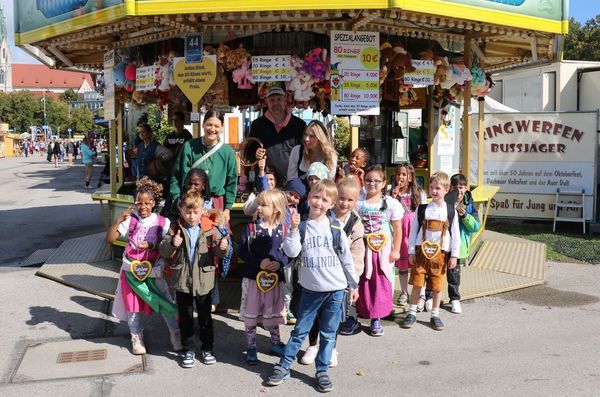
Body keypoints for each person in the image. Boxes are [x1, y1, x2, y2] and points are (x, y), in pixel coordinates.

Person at [267, 179, 359, 393]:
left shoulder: (335, 228)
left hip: (335, 291)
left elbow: (346, 259)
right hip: (310, 290)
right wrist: (292, 230)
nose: (319, 202)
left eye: (325, 199)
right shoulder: (301, 226)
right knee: (299, 331)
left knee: (328, 333)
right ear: (309, 198)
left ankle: (322, 370)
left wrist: (353, 284)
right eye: (316, 197)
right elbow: (291, 252)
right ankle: (284, 365)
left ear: (332, 204)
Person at [106, 177, 182, 355]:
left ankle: (175, 333)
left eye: (147, 202)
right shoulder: (130, 221)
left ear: (154, 202)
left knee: (165, 303)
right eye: (139, 202)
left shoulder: (163, 223)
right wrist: (118, 221)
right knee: (133, 307)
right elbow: (109, 239)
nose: (143, 206)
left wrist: (153, 246)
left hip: (154, 271)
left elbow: (168, 247)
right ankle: (136, 337)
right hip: (131, 271)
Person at [159, 191, 228, 368]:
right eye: (188, 212)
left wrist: (222, 247)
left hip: (204, 280)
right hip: (182, 280)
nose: (191, 216)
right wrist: (171, 244)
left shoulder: (210, 228)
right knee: (186, 318)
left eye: (195, 212)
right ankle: (188, 349)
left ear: (202, 211)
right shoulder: (175, 228)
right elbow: (164, 251)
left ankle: (207, 348)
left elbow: (219, 253)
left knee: (205, 318)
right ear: (181, 210)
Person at [303, 177, 364, 368]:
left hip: (339, 279)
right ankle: (313, 345)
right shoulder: (322, 214)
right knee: (312, 314)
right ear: (335, 197)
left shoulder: (355, 224)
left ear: (355, 202)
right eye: (342, 198)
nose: (345, 203)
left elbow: (356, 255)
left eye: (350, 200)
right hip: (315, 275)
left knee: (333, 317)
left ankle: (330, 348)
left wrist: (353, 282)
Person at [401, 171, 460, 331]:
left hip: (440, 254)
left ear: (446, 190)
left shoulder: (450, 210)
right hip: (421, 252)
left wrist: (454, 255)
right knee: (418, 283)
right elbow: (413, 232)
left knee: (437, 285)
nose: (434, 191)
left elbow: (455, 235)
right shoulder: (422, 209)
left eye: (438, 188)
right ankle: (412, 311)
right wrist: (412, 251)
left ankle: (435, 314)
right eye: (432, 188)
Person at [238, 189, 290, 365]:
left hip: (274, 281)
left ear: (276, 209)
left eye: (263, 205)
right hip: (253, 279)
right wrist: (258, 263)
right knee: (251, 315)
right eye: (258, 204)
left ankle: (276, 343)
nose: (258, 208)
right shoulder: (251, 228)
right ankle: (251, 347)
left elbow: (289, 252)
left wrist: (281, 263)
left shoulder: (284, 230)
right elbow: (243, 251)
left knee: (272, 313)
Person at [356, 164, 403, 336]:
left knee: (381, 282)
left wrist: (396, 250)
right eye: (368, 180)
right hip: (362, 248)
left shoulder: (390, 203)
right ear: (363, 181)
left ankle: (376, 318)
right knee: (362, 281)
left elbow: (397, 229)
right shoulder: (358, 203)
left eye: (377, 181)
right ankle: (356, 314)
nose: (372, 184)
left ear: (384, 184)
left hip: (383, 251)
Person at [170, 110, 237, 224]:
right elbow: (176, 175)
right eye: (209, 125)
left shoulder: (228, 152)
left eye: (216, 126)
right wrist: (177, 199)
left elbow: (232, 181)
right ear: (203, 125)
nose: (212, 129)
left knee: (217, 239)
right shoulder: (189, 147)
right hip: (191, 203)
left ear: (222, 128)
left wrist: (227, 209)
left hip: (216, 203)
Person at [249, 86, 306, 183]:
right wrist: (256, 153)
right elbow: (249, 150)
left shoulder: (299, 125)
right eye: (272, 100)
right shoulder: (257, 125)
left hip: (292, 180)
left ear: (285, 101)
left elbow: (305, 152)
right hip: (267, 180)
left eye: (279, 99)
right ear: (267, 102)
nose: (276, 103)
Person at [390, 162, 427, 307]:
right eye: (398, 174)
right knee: (403, 265)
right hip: (400, 232)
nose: (400, 177)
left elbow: (423, 213)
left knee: (418, 265)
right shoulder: (391, 193)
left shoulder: (418, 193)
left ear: (410, 177)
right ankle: (404, 292)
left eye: (404, 174)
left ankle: (421, 294)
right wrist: (393, 197)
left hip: (414, 232)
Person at [445, 173, 480, 314]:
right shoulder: (444, 201)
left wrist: (465, 216)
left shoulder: (469, 204)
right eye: (456, 187)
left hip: (458, 246)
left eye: (462, 188)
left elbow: (476, 226)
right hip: (443, 243)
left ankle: (454, 299)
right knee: (435, 271)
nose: (459, 191)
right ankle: (429, 296)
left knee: (454, 274)